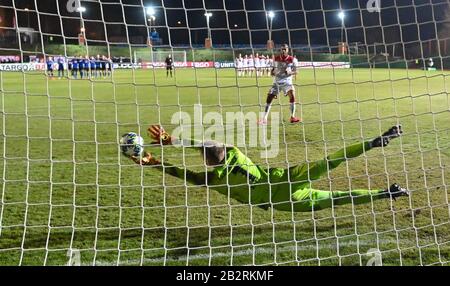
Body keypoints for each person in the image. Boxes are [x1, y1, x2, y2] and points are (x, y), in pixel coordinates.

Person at [126, 124, 409, 212]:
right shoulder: (234, 153)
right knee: (330, 162)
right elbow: (205, 144)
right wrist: (172, 141)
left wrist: (156, 163)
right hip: (285, 181)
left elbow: (186, 174)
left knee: (336, 199)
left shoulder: (214, 180)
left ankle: (388, 193)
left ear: (208, 162)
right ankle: (375, 144)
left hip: (283, 200)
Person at [259, 44, 300, 125]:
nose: (283, 50)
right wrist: (273, 72)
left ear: (288, 50)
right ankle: (264, 118)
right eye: (282, 49)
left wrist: (290, 72)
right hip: (277, 82)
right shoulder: (276, 59)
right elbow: (272, 71)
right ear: (280, 50)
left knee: (292, 95)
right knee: (269, 98)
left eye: (285, 49)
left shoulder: (293, 59)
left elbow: (297, 71)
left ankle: (292, 117)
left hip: (287, 82)